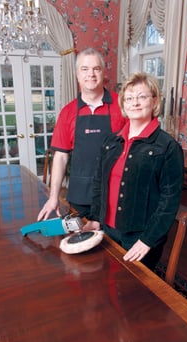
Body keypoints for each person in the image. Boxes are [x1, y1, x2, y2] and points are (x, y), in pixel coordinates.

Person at [83, 72, 184, 270]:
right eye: (129, 98)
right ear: (123, 104)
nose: (135, 103)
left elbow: (169, 201)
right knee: (107, 282)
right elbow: (99, 184)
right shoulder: (111, 142)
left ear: (154, 101)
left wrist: (147, 240)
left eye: (142, 97)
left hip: (140, 237)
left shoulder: (168, 147)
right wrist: (95, 218)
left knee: (133, 294)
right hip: (108, 229)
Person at [37, 48, 127, 221]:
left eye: (96, 69)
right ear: (77, 74)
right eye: (85, 69)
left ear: (103, 72)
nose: (91, 74)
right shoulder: (67, 112)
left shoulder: (122, 105)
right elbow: (61, 157)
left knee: (113, 247)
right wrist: (53, 197)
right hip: (80, 196)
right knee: (81, 243)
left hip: (115, 195)